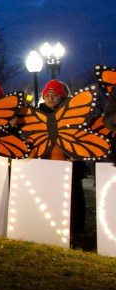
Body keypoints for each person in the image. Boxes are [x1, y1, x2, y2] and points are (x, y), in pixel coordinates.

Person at [36, 79, 87, 238]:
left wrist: (76, 155)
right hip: (45, 164)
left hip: (69, 165)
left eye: (55, 95)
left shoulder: (73, 113)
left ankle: (75, 230)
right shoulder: (38, 114)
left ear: (62, 97)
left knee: (73, 199)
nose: (51, 98)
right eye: (48, 95)